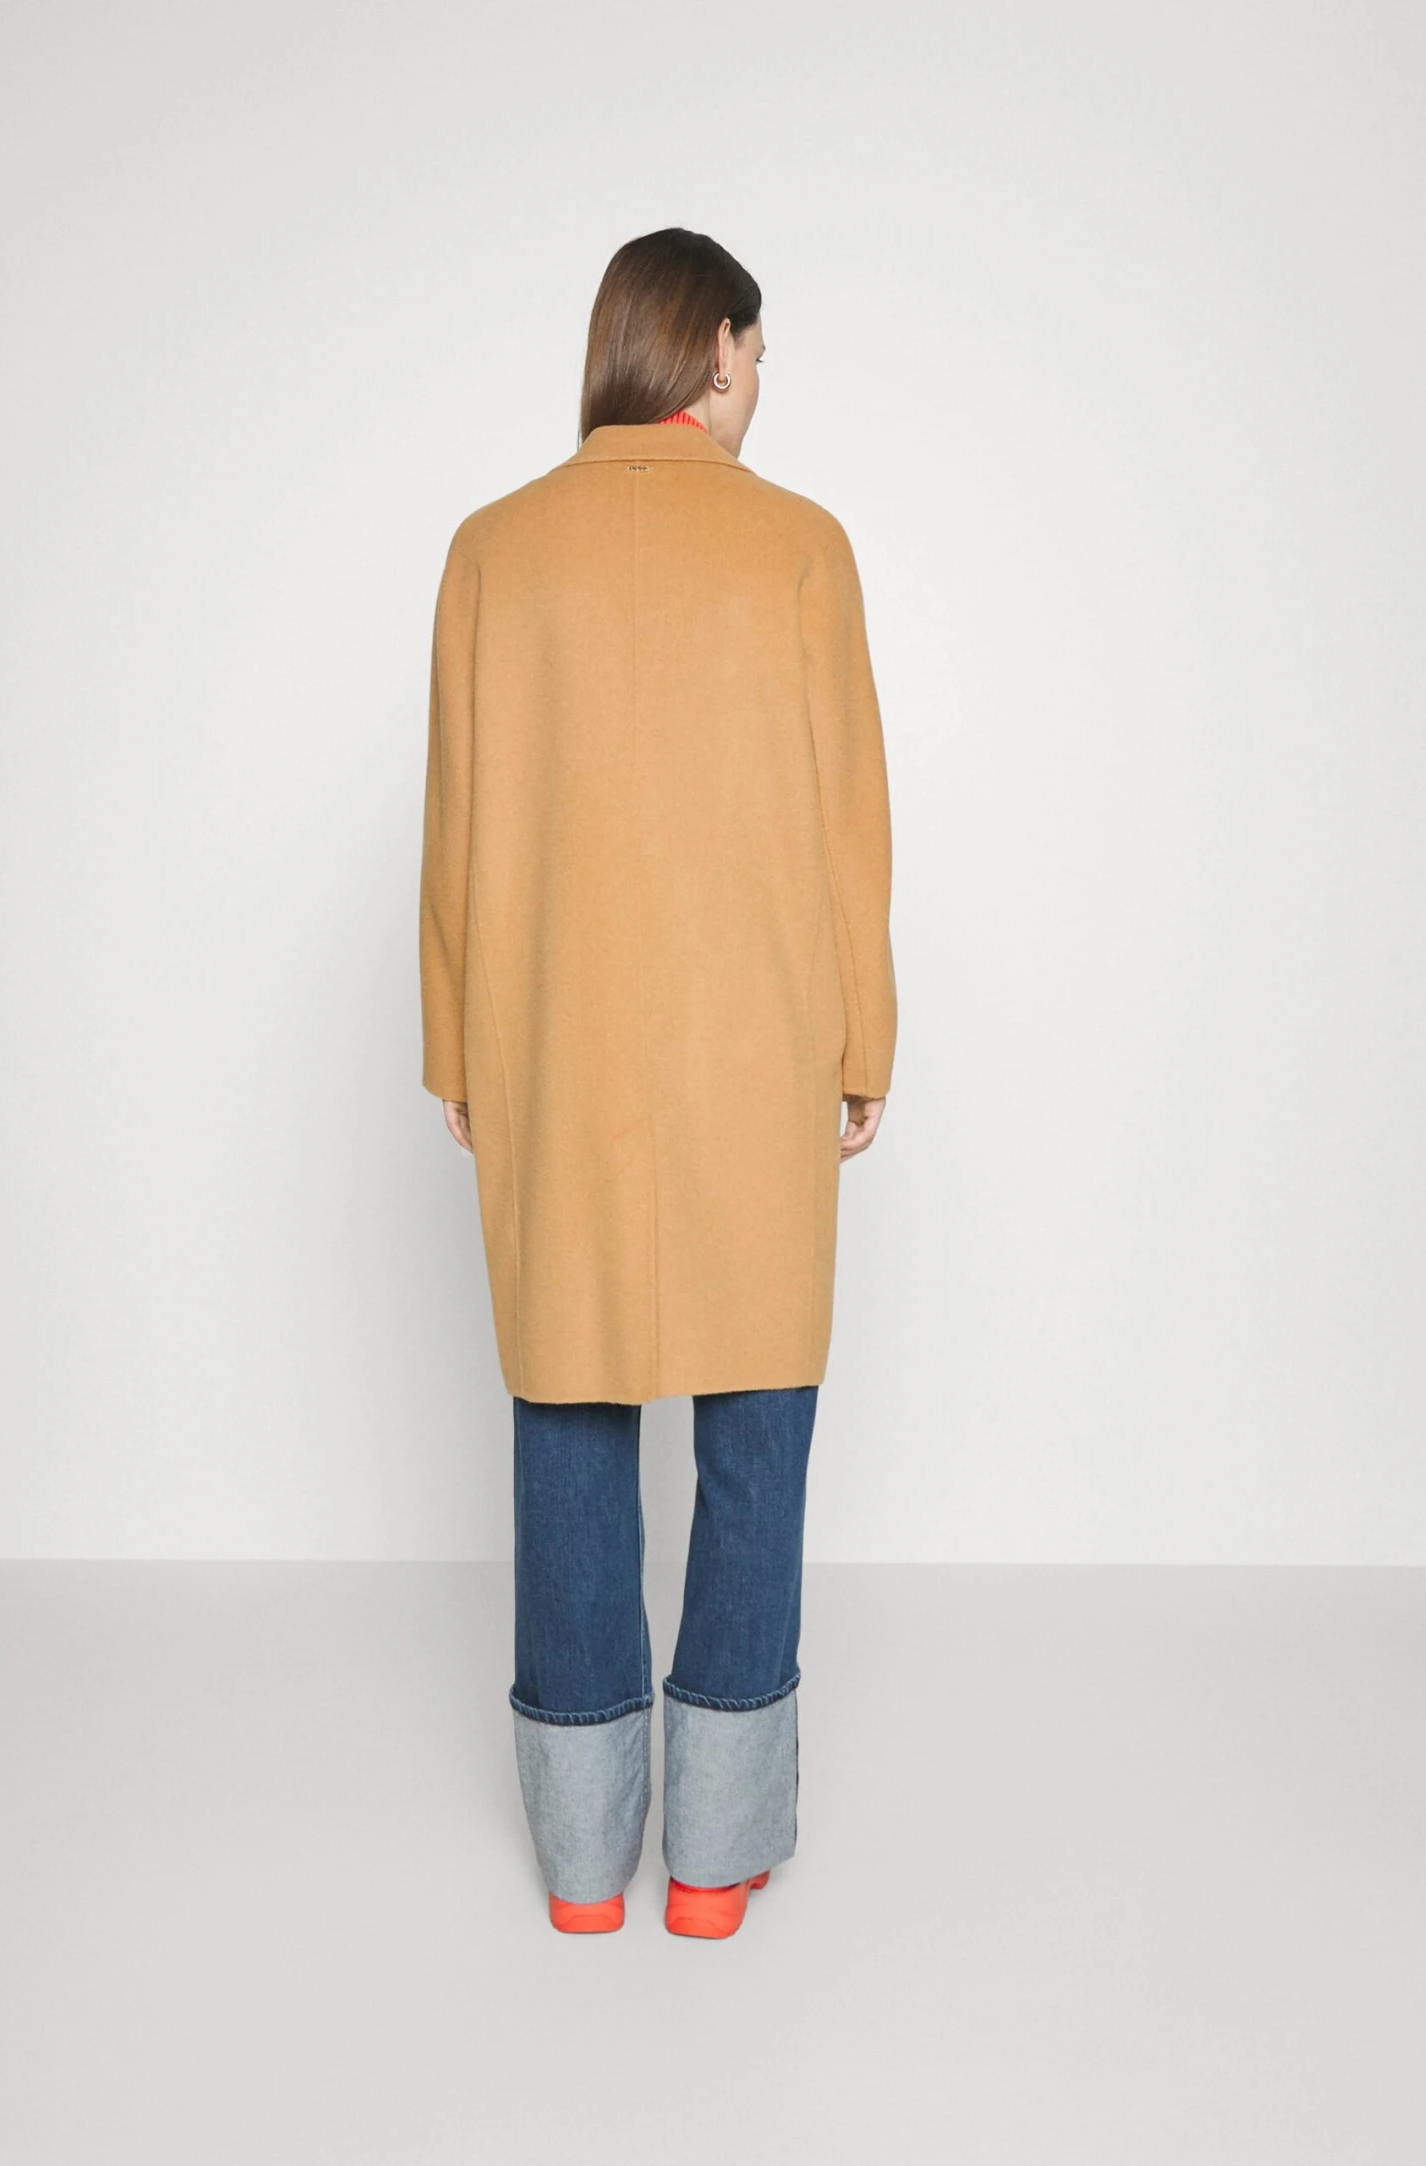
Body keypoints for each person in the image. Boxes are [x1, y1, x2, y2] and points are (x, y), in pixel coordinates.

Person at [419, 227, 897, 1939]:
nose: (761, 384)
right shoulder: (799, 547)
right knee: (758, 1419)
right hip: (753, 1049)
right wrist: (864, 1040)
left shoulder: (494, 549)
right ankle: (711, 1860)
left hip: (556, 1049)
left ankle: (578, 1863)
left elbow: (457, 827)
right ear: (714, 350)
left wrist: (455, 1042)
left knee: (568, 1409)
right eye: (758, 353)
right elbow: (850, 828)